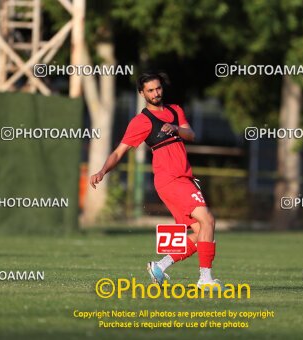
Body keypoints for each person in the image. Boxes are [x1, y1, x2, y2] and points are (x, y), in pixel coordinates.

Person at [90, 72, 223, 290]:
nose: (155, 93)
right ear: (142, 93)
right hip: (169, 179)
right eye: (150, 90)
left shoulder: (175, 110)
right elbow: (119, 151)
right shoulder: (141, 121)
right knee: (207, 219)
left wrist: (176, 128)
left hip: (185, 177)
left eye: (158, 88)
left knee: (201, 230)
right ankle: (205, 279)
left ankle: (160, 266)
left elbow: (191, 134)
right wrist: (103, 171)